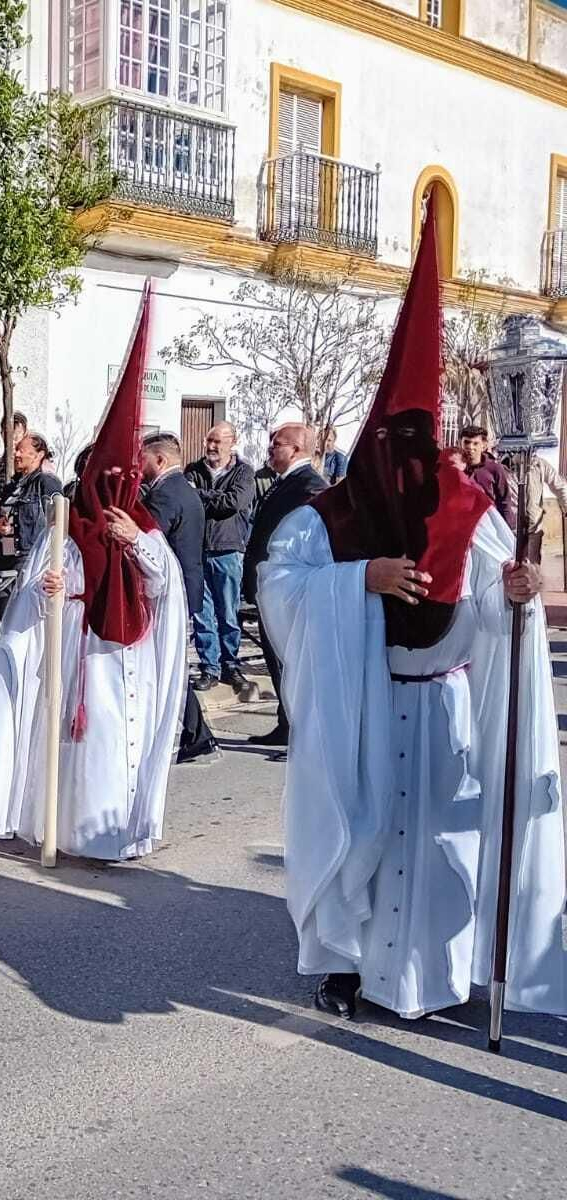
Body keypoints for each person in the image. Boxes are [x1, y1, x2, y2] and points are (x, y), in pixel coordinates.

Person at [260, 216, 567, 1023]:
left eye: (418, 440)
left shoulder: (469, 509)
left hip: (444, 706)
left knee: (433, 841)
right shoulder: (329, 517)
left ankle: (436, 972)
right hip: (363, 704)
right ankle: (344, 965)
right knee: (360, 834)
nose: (405, 457)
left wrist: (517, 597)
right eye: (391, 439)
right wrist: (362, 576)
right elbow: (279, 588)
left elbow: (496, 611)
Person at [0, 286, 187, 861]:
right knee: (72, 741)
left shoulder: (143, 525)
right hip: (71, 644)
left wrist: (134, 544)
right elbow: (34, 582)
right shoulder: (65, 522)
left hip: (122, 659)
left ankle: (113, 835)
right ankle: (61, 828)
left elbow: (166, 588)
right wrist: (52, 590)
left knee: (111, 740)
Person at [242, 423, 327, 752]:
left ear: (296, 449)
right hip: (271, 586)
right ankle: (286, 722)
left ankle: (301, 731)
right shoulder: (285, 483)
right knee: (277, 659)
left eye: (276, 445)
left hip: (290, 591)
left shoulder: (309, 487)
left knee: (292, 661)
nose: (269, 451)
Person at [139, 432, 219, 764]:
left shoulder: (165, 495)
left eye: (142, 458)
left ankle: (196, 734)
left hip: (168, 591)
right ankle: (197, 734)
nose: (138, 465)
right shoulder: (184, 489)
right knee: (167, 663)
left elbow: (147, 541)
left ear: (159, 460)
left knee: (165, 663)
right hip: (185, 586)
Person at [184, 421, 256, 691]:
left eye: (218, 441)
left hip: (227, 549)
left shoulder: (244, 472)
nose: (212, 446)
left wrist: (200, 495)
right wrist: (209, 496)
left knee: (227, 612)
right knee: (202, 613)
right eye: (209, 440)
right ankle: (209, 667)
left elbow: (232, 504)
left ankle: (231, 664)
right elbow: (188, 502)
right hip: (198, 550)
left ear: (232, 441)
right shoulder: (193, 470)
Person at [0, 434, 62, 613]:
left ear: (38, 454)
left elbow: (59, 523)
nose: (16, 454)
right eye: (15, 449)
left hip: (28, 565)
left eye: (21, 450)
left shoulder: (46, 483)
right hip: (3, 565)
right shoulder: (10, 487)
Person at [458, 424, 516, 527]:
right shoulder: (455, 468)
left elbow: (504, 501)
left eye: (475, 443)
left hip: (487, 524)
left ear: (483, 446)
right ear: (460, 443)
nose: (471, 447)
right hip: (462, 524)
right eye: (467, 442)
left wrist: (507, 529)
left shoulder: (495, 469)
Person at [518, 454, 567, 563]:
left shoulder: (539, 464)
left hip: (533, 527)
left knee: (532, 568)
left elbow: (560, 486)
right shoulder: (504, 465)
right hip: (511, 528)